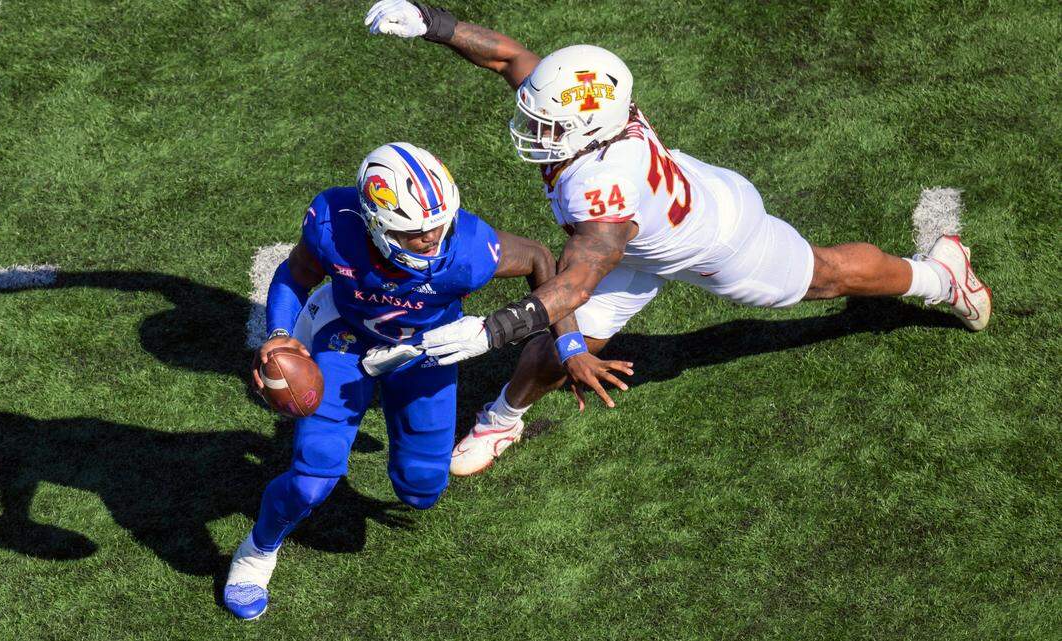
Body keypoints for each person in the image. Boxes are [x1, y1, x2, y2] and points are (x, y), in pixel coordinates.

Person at [364, 2, 993, 476]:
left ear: (586, 128)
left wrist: (489, 331)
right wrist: (430, 19)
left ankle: (943, 275)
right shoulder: (595, 114)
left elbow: (575, 282)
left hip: (717, 239)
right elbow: (509, 57)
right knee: (561, 349)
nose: (533, 127)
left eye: (546, 123)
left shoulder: (600, 190)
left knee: (826, 277)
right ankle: (503, 419)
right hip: (657, 219)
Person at [223, 142, 557, 620]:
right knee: (311, 479)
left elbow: (542, 260)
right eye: (416, 231)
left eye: (440, 223)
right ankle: (255, 554)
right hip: (345, 338)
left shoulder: (469, 250)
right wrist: (279, 335)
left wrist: (567, 342)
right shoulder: (334, 224)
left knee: (421, 488)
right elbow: (295, 274)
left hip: (428, 351)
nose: (433, 237)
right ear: (375, 224)